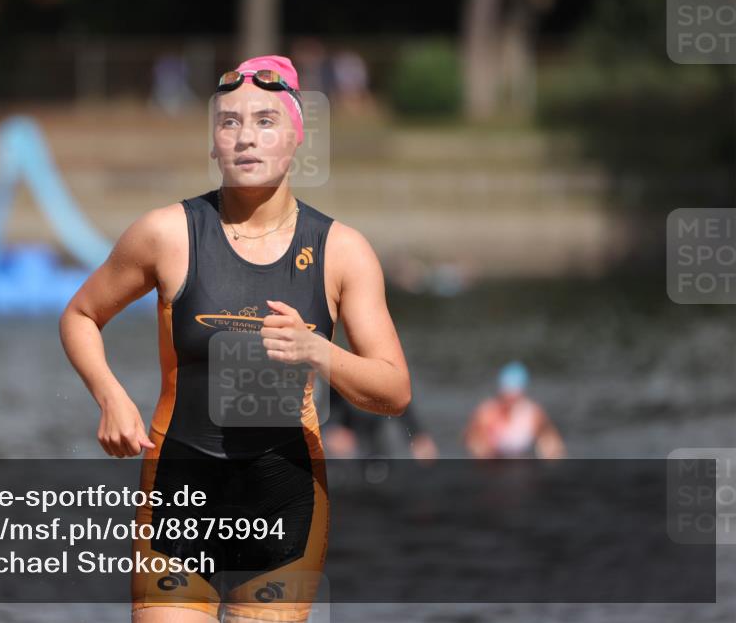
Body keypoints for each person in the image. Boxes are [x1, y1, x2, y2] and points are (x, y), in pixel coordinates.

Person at [59, 55, 412, 623]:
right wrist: (110, 396)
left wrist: (317, 350)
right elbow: (80, 315)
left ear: (296, 137)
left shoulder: (342, 252)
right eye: (229, 123)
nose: (246, 137)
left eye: (265, 121)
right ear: (213, 145)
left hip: (285, 500)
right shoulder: (167, 234)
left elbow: (394, 391)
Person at [463, 361, 565, 459]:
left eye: (514, 392)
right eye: (507, 392)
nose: (510, 398)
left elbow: (553, 445)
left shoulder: (533, 413)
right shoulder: (487, 412)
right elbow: (470, 440)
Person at [324, 388, 438, 462]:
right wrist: (333, 427)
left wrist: (417, 435)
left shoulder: (387, 377)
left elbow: (401, 405)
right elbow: (328, 404)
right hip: (346, 429)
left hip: (377, 434)